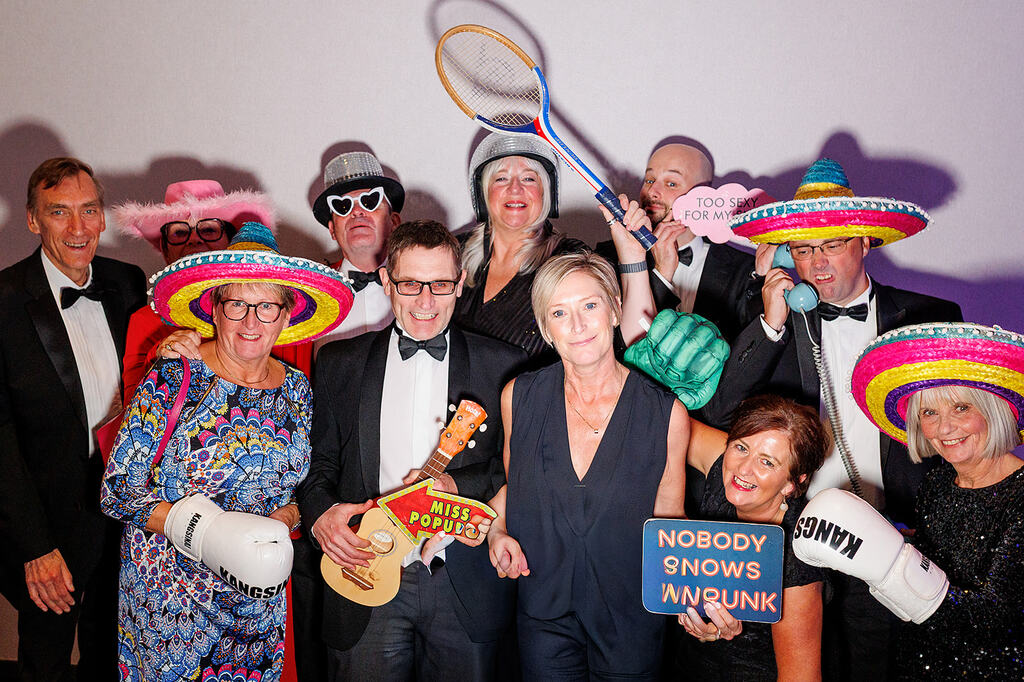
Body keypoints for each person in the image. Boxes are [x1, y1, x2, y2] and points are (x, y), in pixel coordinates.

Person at [703, 158, 963, 680]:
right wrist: (770, 323)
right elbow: (722, 411)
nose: (817, 264)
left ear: (865, 242)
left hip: (898, 534)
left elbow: (958, 430)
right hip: (802, 543)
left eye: (832, 245)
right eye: (802, 250)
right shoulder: (777, 320)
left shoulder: (929, 317)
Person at [99, 222, 353, 681]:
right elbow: (116, 491)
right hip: (173, 612)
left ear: (287, 316)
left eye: (266, 307)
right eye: (237, 304)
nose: (251, 322)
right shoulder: (176, 375)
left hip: (257, 610)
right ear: (214, 310)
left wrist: (287, 517)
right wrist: (207, 531)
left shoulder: (298, 390)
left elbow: (303, 487)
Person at [298, 220, 526, 681]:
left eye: (440, 284)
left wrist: (454, 485)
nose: (425, 301)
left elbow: (518, 469)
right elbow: (317, 466)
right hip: (364, 571)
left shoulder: (504, 364)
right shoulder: (339, 362)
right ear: (387, 281)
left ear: (460, 283)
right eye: (410, 284)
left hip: (464, 577)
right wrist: (321, 516)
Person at [485, 251, 689, 680]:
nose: (577, 325)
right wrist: (497, 531)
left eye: (589, 305)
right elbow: (516, 490)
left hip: (631, 620)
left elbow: (671, 521)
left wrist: (703, 595)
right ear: (546, 328)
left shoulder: (666, 413)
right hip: (543, 614)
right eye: (559, 312)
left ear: (615, 309)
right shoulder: (517, 398)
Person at [795, 321, 1023, 679]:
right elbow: (933, 567)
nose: (944, 428)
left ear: (992, 410)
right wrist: (888, 544)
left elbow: (994, 621)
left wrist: (891, 569)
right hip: (916, 664)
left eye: (961, 408)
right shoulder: (938, 482)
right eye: (929, 413)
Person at [0, 157, 146, 681]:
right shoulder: (4, 301)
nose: (79, 227)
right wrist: (35, 548)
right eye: (59, 212)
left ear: (103, 216)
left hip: (125, 515)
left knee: (116, 657)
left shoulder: (127, 282)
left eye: (89, 210)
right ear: (33, 220)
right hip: (47, 528)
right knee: (45, 663)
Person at [675, 394, 827, 681]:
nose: (744, 469)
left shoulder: (795, 560)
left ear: (792, 482)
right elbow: (664, 419)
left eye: (767, 462)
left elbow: (800, 677)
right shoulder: (724, 469)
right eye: (741, 447)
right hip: (688, 664)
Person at [113, 179, 281, 400]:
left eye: (209, 229)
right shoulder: (144, 322)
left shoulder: (276, 313)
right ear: (165, 249)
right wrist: (160, 359)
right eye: (179, 233)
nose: (194, 240)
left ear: (232, 243)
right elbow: (133, 407)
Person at [596, 142, 760, 343]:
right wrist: (661, 276)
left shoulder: (744, 271)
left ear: (703, 196)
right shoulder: (607, 259)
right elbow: (618, 348)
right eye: (649, 180)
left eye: (671, 184)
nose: (652, 191)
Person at [453, 132, 590, 361]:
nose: (515, 189)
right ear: (483, 192)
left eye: (528, 178)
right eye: (501, 179)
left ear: (546, 191)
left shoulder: (569, 258)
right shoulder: (453, 252)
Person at [311, 150, 404, 348]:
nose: (357, 211)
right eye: (342, 206)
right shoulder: (310, 297)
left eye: (370, 201)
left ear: (394, 222)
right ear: (332, 230)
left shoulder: (426, 289)